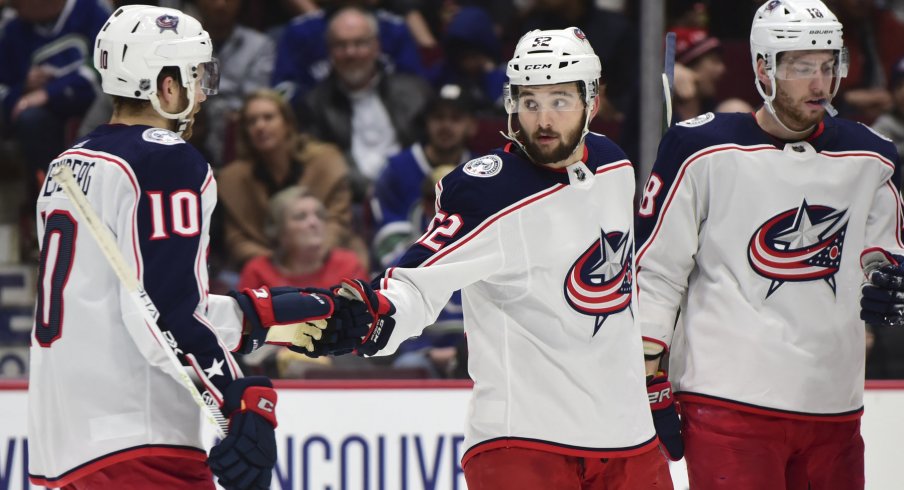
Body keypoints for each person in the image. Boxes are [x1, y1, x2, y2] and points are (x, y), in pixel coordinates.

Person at [304, 27, 677, 489]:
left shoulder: (615, 164)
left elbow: (623, 290)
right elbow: (418, 279)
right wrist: (376, 314)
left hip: (628, 438)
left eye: (559, 101)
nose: (542, 119)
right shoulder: (489, 190)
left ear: (592, 102)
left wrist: (653, 379)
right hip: (524, 443)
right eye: (529, 101)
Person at [28, 6, 345, 489]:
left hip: (62, 449)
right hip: (138, 442)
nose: (201, 94)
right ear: (166, 85)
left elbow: (127, 303)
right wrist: (234, 394)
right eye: (196, 77)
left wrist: (253, 317)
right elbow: (162, 312)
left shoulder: (68, 163)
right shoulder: (164, 158)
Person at [635, 1, 902, 489]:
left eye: (828, 66)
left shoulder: (872, 156)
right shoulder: (700, 150)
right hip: (727, 403)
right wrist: (650, 379)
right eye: (802, 68)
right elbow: (658, 272)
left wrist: (889, 285)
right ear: (763, 67)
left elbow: (884, 258)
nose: (821, 84)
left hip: (834, 405)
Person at [218, 89, 366, 269]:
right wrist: (279, 265)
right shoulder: (232, 180)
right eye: (252, 121)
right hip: (266, 267)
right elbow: (237, 240)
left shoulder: (326, 163)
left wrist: (311, 255)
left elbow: (338, 221)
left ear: (288, 123)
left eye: (268, 117)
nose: (260, 126)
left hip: (326, 255)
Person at [301, 6, 433, 199]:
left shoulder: (416, 92)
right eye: (340, 45)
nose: (350, 53)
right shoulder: (313, 105)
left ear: (376, 46)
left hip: (415, 196)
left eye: (359, 43)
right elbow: (322, 165)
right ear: (329, 51)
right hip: (351, 201)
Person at [237, 185, 368, 291]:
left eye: (319, 215)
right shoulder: (258, 272)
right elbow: (243, 322)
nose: (313, 222)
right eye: (300, 217)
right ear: (279, 231)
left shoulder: (348, 265)